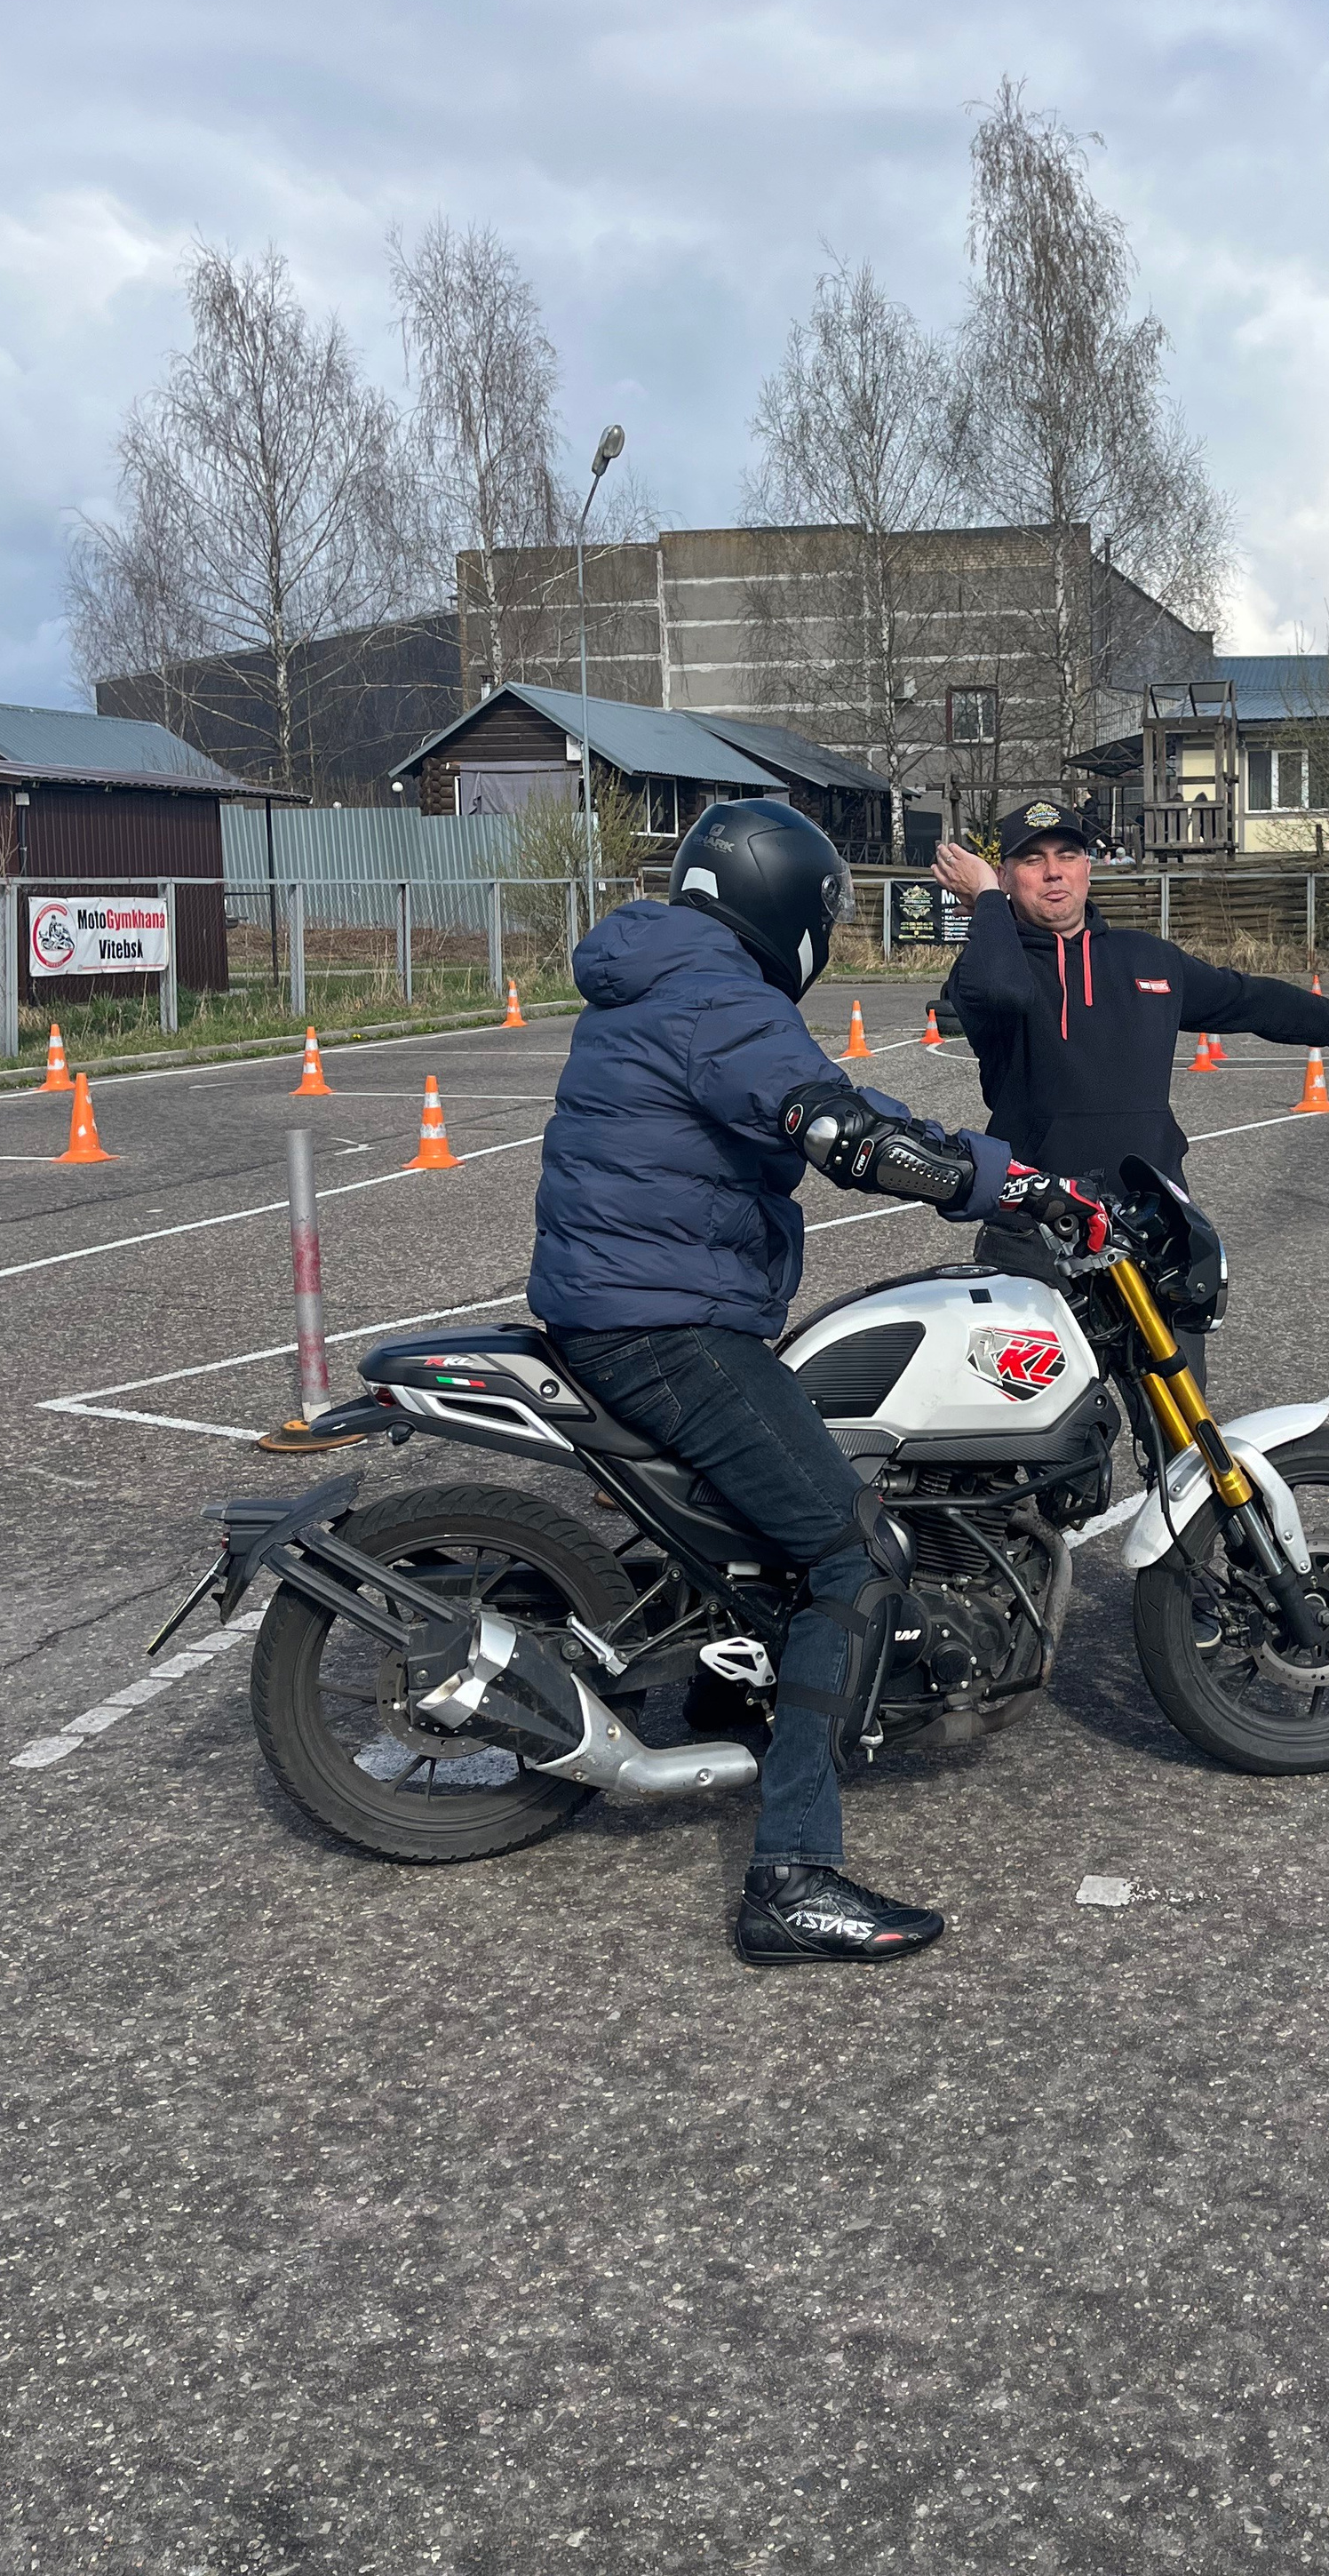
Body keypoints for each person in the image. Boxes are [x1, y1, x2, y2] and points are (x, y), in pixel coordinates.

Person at [526, 797, 1102, 1973]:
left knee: (803, 1498)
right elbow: (835, 1123)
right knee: (853, 1549)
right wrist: (980, 1182)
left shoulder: (668, 972)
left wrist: (1001, 1167)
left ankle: (758, 1680)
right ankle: (790, 1874)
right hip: (665, 1328)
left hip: (634, 1307)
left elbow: (825, 1102)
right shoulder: (715, 994)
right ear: (784, 904)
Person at [933, 801, 1329, 1344]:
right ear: (1006, 877)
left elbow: (1253, 1001)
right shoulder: (987, 964)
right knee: (1038, 1414)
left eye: (1069, 854)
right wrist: (988, 905)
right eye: (1031, 860)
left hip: (1150, 1225)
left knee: (1177, 1411)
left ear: (1089, 866)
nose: (1054, 871)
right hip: (1033, 1226)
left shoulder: (1148, 959)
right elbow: (1002, 991)